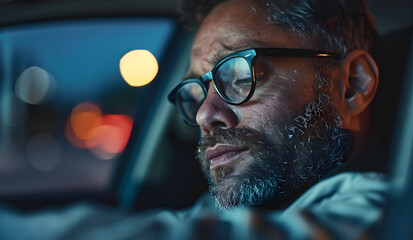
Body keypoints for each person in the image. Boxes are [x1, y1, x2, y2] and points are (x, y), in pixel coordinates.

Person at [0, 0, 389, 239]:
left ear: (352, 85)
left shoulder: (386, 210)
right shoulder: (233, 206)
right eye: (198, 91)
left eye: (239, 75)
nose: (205, 114)